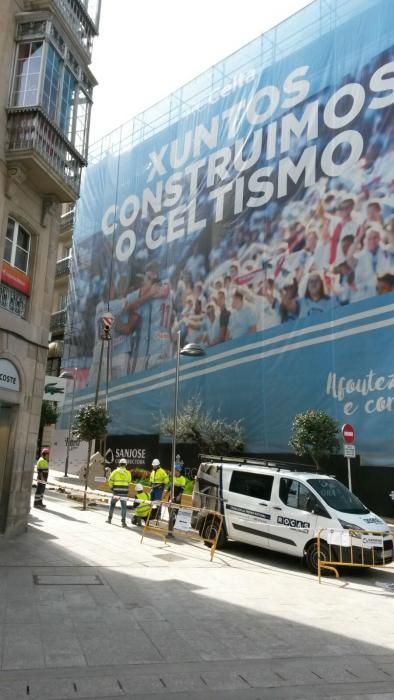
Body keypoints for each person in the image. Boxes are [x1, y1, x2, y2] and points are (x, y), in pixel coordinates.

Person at [106, 458, 131, 527]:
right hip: (124, 493)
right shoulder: (128, 473)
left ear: (119, 464)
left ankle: (109, 519)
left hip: (116, 492)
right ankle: (123, 522)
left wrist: (112, 488)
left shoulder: (115, 472)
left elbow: (110, 480)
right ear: (125, 465)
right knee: (123, 507)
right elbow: (129, 481)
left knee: (112, 505)